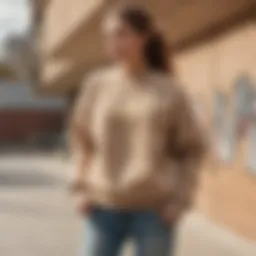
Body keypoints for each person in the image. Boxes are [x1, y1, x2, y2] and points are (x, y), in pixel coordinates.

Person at [69, 4, 206, 256]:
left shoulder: (170, 90)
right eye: (108, 36)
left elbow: (192, 149)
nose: (113, 42)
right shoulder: (96, 85)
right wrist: (80, 188)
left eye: (121, 34)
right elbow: (81, 141)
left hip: (154, 212)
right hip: (102, 207)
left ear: (144, 37)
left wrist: (179, 200)